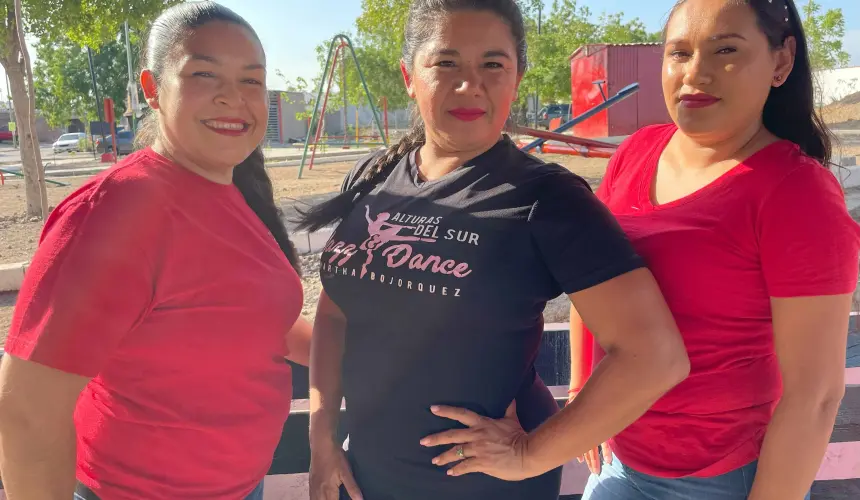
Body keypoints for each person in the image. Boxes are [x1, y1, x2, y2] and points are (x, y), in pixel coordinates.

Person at [298, 1, 691, 499]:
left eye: (492, 64)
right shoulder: (377, 177)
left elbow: (654, 356)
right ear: (408, 76)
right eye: (446, 63)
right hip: (365, 474)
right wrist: (322, 437)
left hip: (483, 485)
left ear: (516, 77)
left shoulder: (548, 199)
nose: (470, 85)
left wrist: (532, 454)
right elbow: (335, 316)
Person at [0, 3, 310, 499]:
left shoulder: (232, 194)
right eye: (205, 74)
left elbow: (252, 316)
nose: (234, 98)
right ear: (151, 89)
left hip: (240, 487)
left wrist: (368, 354)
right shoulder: (115, 212)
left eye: (251, 81)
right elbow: (27, 413)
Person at [567, 0, 860, 499]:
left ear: (782, 62)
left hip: (725, 480)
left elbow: (815, 396)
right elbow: (594, 283)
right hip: (618, 460)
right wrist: (581, 395)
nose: (695, 73)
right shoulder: (636, 153)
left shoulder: (795, 193)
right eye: (678, 53)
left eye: (725, 50)